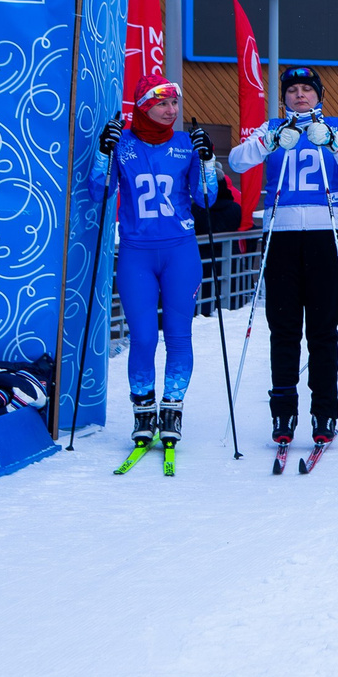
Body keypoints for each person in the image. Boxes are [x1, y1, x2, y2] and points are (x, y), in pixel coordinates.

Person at [229, 66, 338, 453]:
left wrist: (333, 142)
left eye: (306, 90)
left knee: (322, 330)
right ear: (284, 97)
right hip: (281, 235)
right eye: (293, 90)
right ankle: (283, 411)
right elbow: (236, 160)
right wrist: (268, 142)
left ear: (319, 94)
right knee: (283, 328)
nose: (300, 96)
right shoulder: (274, 128)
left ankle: (324, 411)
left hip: (325, 235)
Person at [97, 79, 219, 458]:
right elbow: (98, 191)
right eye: (162, 103)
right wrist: (104, 153)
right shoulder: (124, 144)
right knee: (145, 337)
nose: (171, 110)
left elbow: (207, 198)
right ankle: (143, 410)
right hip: (137, 252)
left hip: (180, 251)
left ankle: (172, 409)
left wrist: (208, 160)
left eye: (174, 103)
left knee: (179, 336)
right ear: (144, 106)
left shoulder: (184, 144)